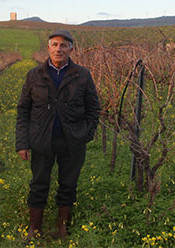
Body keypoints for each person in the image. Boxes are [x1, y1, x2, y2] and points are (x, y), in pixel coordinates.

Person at [16, 29, 101, 240]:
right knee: (38, 184)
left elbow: (93, 108)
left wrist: (86, 134)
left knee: (68, 184)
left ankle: (62, 227)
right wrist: (22, 143)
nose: (59, 49)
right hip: (41, 140)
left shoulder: (82, 75)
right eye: (54, 44)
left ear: (71, 49)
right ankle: (35, 228)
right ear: (48, 48)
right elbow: (23, 111)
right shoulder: (34, 75)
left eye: (64, 45)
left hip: (72, 141)